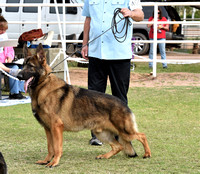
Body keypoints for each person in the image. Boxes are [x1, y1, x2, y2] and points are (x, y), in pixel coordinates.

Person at [81, 0, 144, 146]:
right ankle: (97, 134)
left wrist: (131, 13)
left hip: (119, 54)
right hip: (97, 52)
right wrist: (85, 44)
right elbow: (88, 19)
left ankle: (122, 133)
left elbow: (140, 15)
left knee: (120, 96)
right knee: (94, 96)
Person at [0, 15, 25, 99]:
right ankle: (9, 70)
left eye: (4, 30)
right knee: (13, 70)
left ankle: (16, 92)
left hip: (5, 62)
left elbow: (10, 50)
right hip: (1, 64)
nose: (3, 32)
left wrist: (9, 57)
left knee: (16, 67)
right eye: (1, 30)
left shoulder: (5, 36)